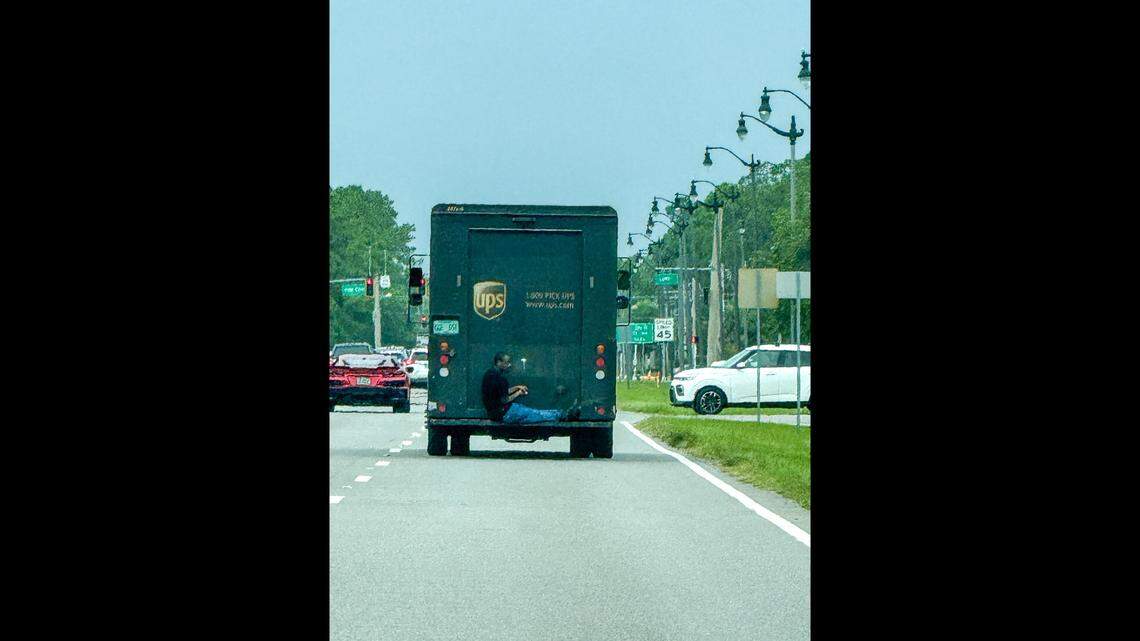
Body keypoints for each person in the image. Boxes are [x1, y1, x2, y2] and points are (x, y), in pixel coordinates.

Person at [481, 352, 579, 423]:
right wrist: (518, 393)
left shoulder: (489, 374)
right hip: (504, 413)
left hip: (497, 413)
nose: (509, 365)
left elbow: (499, 393)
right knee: (536, 414)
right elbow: (505, 399)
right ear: (499, 362)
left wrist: (516, 387)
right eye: (507, 362)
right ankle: (563, 415)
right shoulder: (500, 378)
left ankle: (561, 414)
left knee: (532, 412)